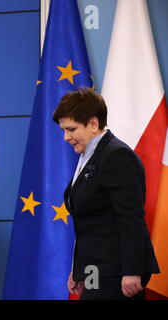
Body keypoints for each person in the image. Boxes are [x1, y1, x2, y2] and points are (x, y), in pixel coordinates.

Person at [53, 88, 160, 300]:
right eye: (63, 130)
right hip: (96, 269)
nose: (66, 137)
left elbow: (131, 218)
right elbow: (90, 222)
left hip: (118, 272)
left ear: (93, 123)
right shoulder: (88, 155)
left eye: (71, 129)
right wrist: (80, 269)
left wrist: (132, 271)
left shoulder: (116, 156)